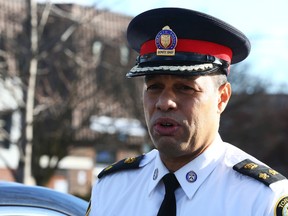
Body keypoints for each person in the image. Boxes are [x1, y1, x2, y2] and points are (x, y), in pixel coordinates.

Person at [86, 7, 288, 216]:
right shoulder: (112, 189)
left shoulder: (261, 199)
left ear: (222, 98)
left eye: (185, 88)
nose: (165, 103)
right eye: (154, 87)